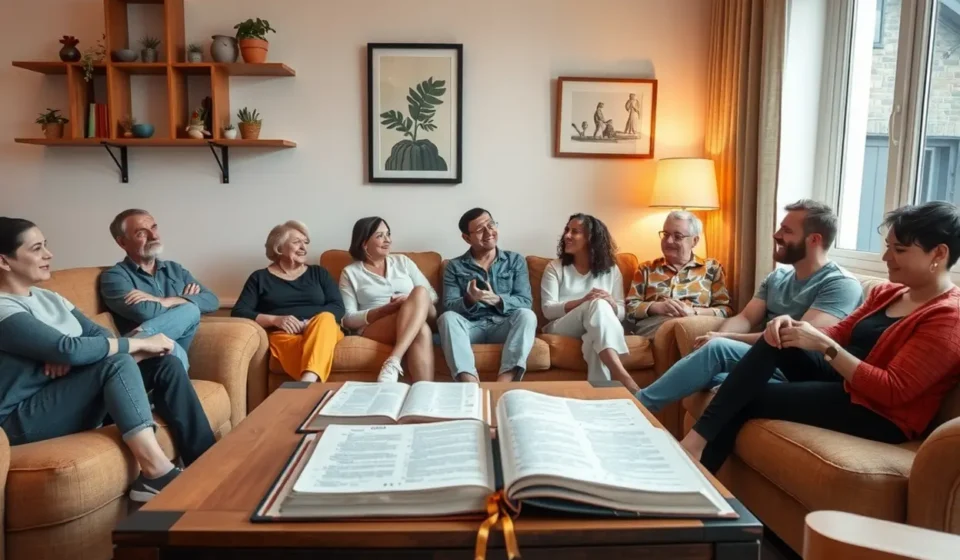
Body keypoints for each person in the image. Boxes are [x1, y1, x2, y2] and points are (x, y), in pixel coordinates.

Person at [680, 201, 960, 473]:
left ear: (938, 253)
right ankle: (693, 446)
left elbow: (893, 390)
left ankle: (698, 474)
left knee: (748, 397)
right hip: (843, 381)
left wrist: (825, 345)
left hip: (879, 413)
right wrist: (798, 328)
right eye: (888, 247)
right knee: (778, 334)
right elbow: (839, 332)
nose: (886, 258)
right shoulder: (888, 293)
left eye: (899, 250)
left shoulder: (948, 317)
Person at [0, 218, 215, 502]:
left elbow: (98, 335)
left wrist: (71, 355)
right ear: (4, 261)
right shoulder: (3, 307)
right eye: (37, 248)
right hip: (22, 419)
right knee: (118, 363)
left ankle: (208, 465)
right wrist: (138, 343)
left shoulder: (49, 297)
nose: (49, 255)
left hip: (73, 394)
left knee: (165, 365)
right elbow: (67, 348)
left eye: (46, 246)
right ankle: (156, 473)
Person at [635, 200, 863, 413]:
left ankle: (638, 406)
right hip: (764, 360)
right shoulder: (777, 277)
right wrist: (716, 335)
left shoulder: (840, 284)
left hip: (797, 368)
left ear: (814, 240)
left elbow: (795, 339)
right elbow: (744, 318)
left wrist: (724, 340)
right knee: (708, 376)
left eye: (787, 231)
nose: (776, 235)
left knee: (717, 351)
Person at [99, 209, 220, 372]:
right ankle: (134, 347)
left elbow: (212, 300)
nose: (154, 236)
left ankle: (137, 339)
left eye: (154, 228)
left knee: (175, 346)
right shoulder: (114, 277)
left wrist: (166, 301)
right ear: (122, 242)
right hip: (143, 365)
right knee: (190, 310)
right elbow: (145, 312)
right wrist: (186, 301)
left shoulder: (175, 269)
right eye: (142, 233)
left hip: (173, 357)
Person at [232, 221, 344, 383]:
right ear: (279, 247)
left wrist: (309, 323)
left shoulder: (319, 273)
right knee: (301, 346)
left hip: (323, 329)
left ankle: (307, 381)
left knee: (326, 318)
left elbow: (338, 307)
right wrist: (275, 320)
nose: (304, 248)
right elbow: (239, 312)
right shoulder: (260, 278)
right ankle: (310, 382)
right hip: (285, 335)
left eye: (305, 242)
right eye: (297, 242)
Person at [437, 208, 538, 383]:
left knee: (527, 315)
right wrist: (470, 299)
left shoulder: (515, 260)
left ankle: (503, 384)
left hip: (503, 326)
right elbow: (449, 305)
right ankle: (470, 384)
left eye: (490, 225)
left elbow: (525, 301)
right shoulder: (454, 266)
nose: (488, 232)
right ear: (466, 238)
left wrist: (497, 300)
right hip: (471, 327)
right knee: (447, 318)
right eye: (479, 229)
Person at [541, 213, 636, 391]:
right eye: (567, 230)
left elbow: (622, 312)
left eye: (575, 232)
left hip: (598, 327)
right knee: (597, 304)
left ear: (591, 238)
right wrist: (583, 302)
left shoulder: (611, 270)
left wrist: (612, 304)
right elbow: (548, 310)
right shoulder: (555, 267)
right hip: (562, 326)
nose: (567, 235)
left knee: (594, 339)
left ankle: (602, 396)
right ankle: (621, 375)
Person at [339, 217, 438, 383]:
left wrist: (409, 301)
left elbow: (432, 296)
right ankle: (424, 392)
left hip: (423, 312)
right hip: (380, 324)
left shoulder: (403, 261)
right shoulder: (350, 273)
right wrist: (384, 310)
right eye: (380, 236)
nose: (388, 240)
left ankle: (393, 359)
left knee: (420, 291)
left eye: (388, 234)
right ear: (364, 243)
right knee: (420, 330)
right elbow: (347, 319)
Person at [625, 211, 732, 337]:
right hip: (656, 326)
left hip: (696, 324)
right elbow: (629, 309)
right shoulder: (646, 269)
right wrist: (657, 307)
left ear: (694, 241)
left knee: (690, 329)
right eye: (666, 234)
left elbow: (725, 310)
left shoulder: (711, 268)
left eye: (678, 236)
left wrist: (694, 312)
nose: (669, 241)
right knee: (679, 329)